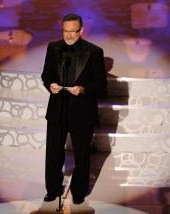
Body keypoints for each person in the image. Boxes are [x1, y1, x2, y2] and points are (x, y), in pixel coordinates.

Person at [41, 13, 107, 205]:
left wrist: (83, 89)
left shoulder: (94, 52)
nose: (68, 35)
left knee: (81, 153)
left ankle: (79, 191)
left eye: (73, 31)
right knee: (53, 152)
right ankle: (53, 189)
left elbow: (100, 82)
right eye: (65, 31)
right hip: (57, 108)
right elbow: (46, 74)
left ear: (81, 31)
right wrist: (50, 85)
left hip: (82, 110)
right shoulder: (53, 48)